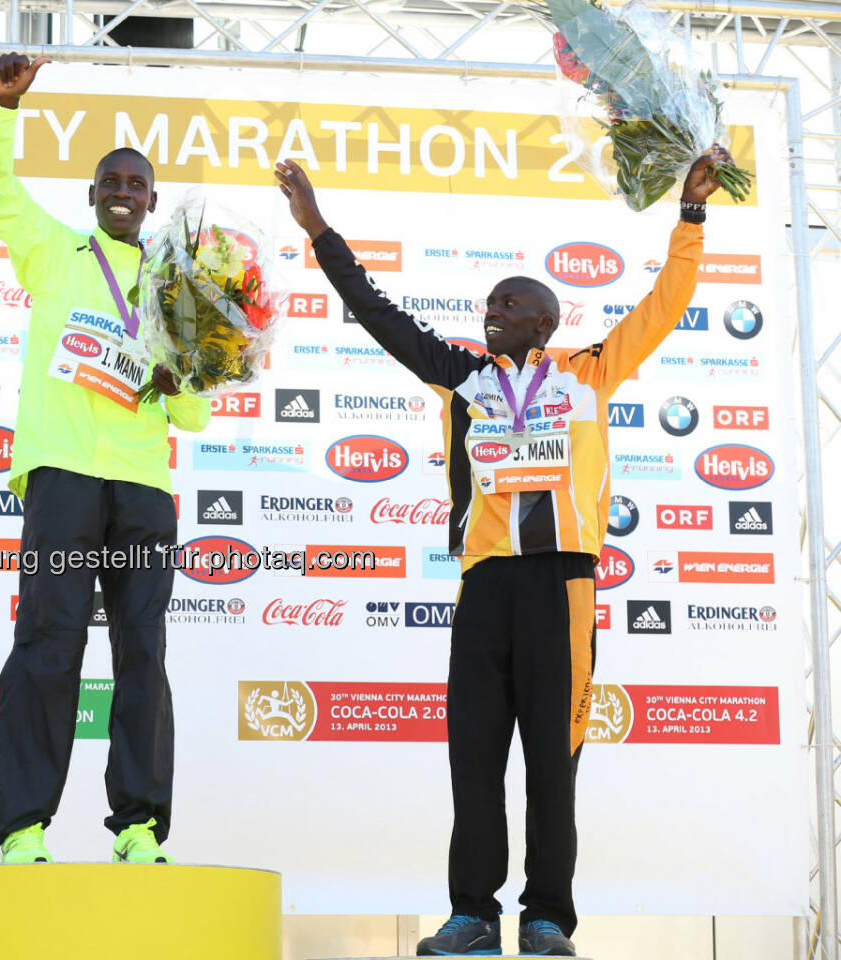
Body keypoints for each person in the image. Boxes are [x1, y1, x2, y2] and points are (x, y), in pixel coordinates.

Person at [277, 147, 730, 956]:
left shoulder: (590, 373)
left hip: (563, 588)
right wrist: (320, 231)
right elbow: (378, 314)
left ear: (545, 322)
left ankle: (548, 915)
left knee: (554, 762)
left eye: (509, 303)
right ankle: (472, 913)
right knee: (474, 758)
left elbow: (666, 304)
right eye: (489, 302)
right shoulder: (463, 379)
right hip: (485, 586)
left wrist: (690, 216)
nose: (492, 310)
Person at [0, 54, 211, 864]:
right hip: (64, 474)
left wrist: (183, 376)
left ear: (151, 201)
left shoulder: (179, 285)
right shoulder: (51, 250)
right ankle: (24, 827)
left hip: (143, 484)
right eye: (110, 179)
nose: (122, 191)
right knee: (50, 638)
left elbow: (194, 411)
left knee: (141, 646)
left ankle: (139, 824)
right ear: (91, 195)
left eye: (136, 184)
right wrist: (5, 107)